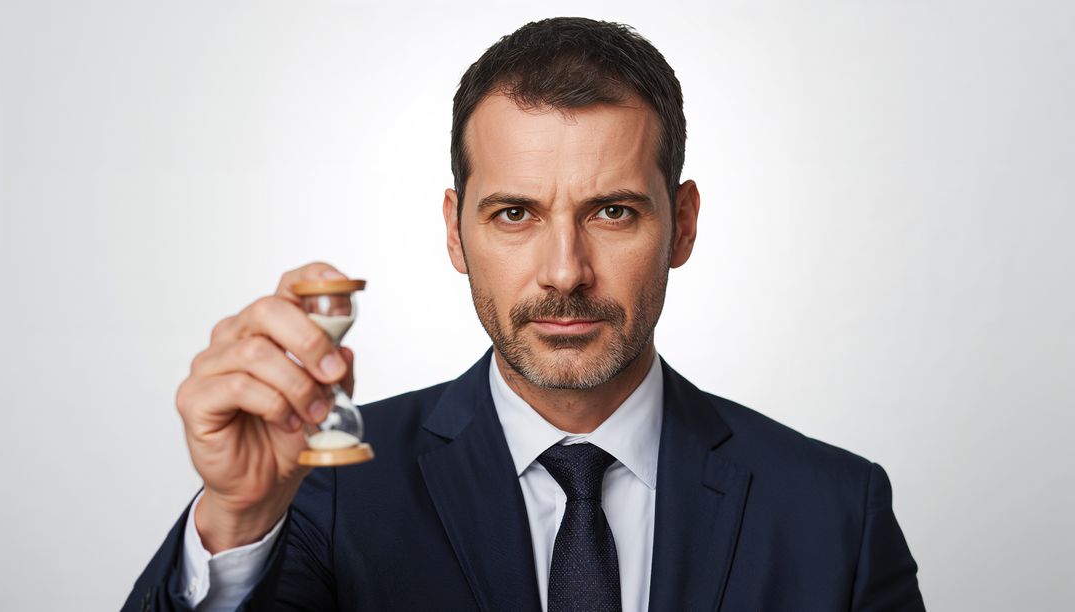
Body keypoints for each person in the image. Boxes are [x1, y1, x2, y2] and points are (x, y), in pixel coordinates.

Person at [123, 16, 925, 612]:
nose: (564, 272)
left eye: (613, 212)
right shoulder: (327, 495)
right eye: (516, 214)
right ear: (454, 230)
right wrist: (235, 518)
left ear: (681, 224)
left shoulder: (834, 511)